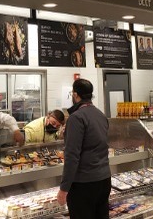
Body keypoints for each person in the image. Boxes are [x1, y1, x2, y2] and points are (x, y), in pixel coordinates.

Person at [56, 79, 110, 219]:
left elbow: (72, 156)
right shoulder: (101, 115)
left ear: (75, 95)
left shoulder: (76, 118)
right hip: (104, 180)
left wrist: (64, 188)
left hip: (84, 184)